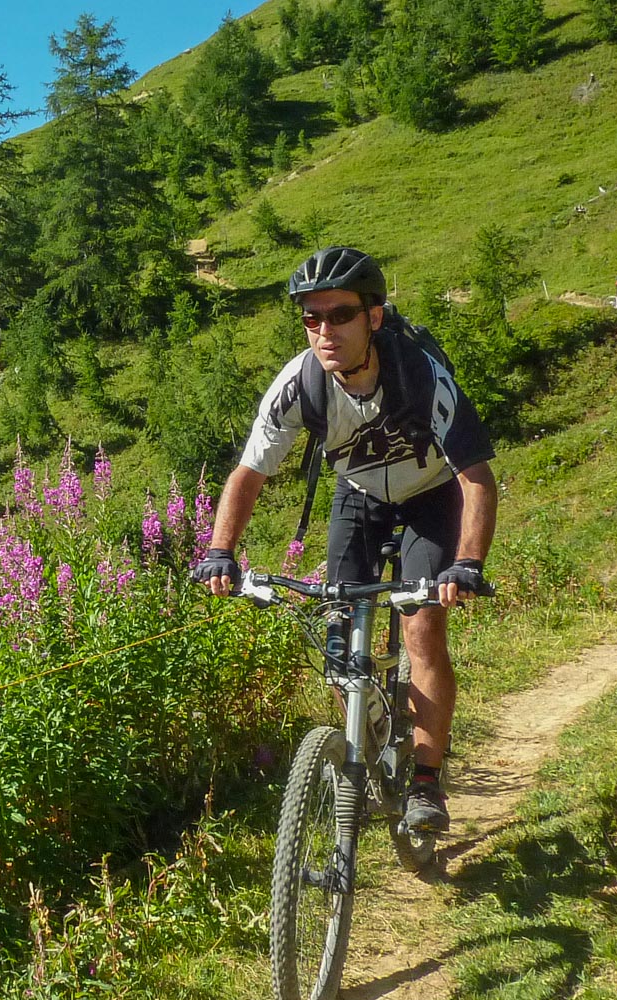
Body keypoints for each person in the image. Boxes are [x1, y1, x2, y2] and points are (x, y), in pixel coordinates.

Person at [192, 247, 498, 832]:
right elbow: (247, 475)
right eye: (311, 317)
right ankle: (361, 747)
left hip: (434, 495)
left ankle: (427, 783)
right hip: (358, 496)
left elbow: (477, 478)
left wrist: (466, 563)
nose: (324, 330)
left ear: (373, 318)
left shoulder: (421, 375)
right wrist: (219, 551)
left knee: (421, 626)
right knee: (339, 647)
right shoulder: (299, 383)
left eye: (339, 315)